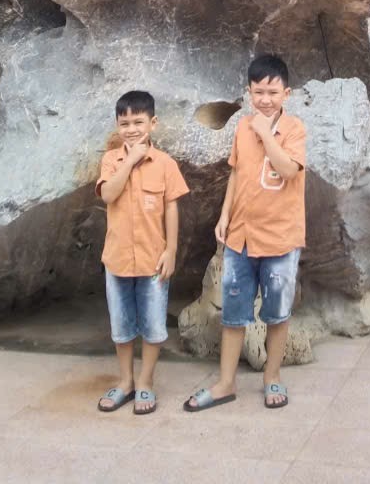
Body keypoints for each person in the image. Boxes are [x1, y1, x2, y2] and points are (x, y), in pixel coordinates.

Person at [185, 53, 306, 413]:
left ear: (286, 94)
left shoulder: (294, 129)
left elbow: (288, 170)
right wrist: (224, 216)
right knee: (233, 312)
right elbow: (236, 174)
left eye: (272, 92)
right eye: (258, 92)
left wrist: (267, 134)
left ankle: (272, 377)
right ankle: (226, 383)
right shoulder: (242, 128)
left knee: (277, 312)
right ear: (249, 93)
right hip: (241, 236)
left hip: (281, 239)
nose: (265, 99)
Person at [95, 89, 189, 415]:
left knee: (153, 325)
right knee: (121, 327)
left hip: (153, 260)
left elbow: (172, 208)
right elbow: (108, 194)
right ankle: (126, 382)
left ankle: (146, 382)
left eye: (138, 122)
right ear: (117, 126)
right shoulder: (111, 160)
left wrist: (171, 250)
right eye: (125, 123)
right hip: (117, 259)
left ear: (153, 123)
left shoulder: (165, 164)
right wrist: (131, 160)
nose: (132, 129)